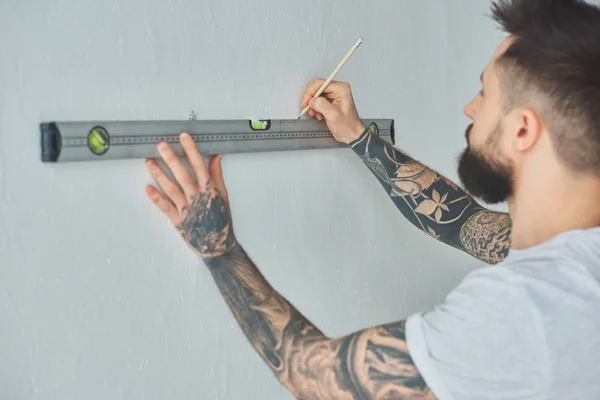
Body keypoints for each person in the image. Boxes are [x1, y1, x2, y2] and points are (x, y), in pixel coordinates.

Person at [143, 0, 600, 398]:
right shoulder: (579, 262)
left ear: (522, 129)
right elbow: (462, 223)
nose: (470, 107)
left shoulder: (526, 312)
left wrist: (219, 248)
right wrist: (360, 138)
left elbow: (315, 377)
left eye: (485, 91)